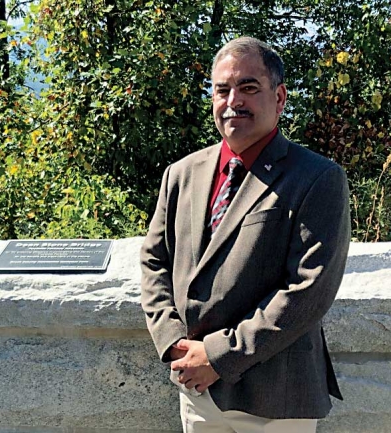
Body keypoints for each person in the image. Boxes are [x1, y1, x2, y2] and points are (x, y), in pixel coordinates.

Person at [139, 36, 351, 433]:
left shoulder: (318, 178)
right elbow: (155, 260)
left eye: (249, 88)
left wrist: (219, 357)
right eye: (223, 89)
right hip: (197, 391)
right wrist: (172, 342)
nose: (233, 100)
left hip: (275, 400)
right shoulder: (182, 174)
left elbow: (309, 290)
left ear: (280, 96)